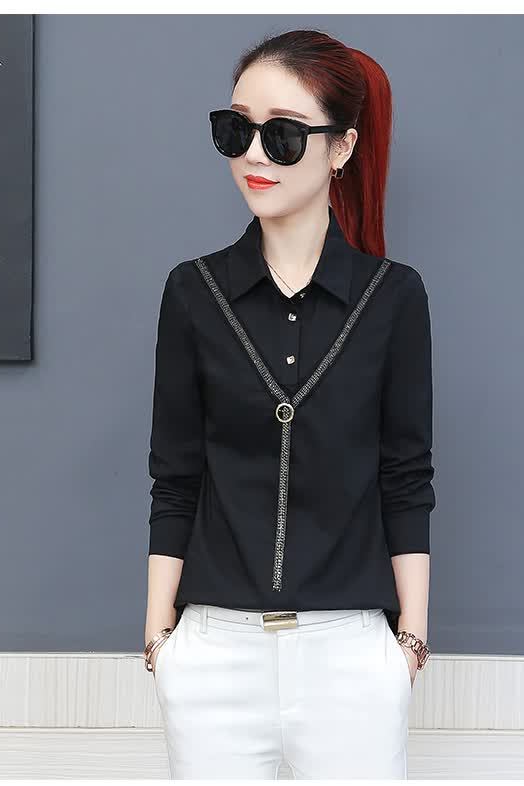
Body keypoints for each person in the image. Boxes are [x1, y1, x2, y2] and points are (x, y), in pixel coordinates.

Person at [142, 29, 435, 780]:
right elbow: (175, 475)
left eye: (282, 134)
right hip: (211, 656)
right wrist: (159, 641)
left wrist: (409, 642)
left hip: (352, 660)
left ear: (342, 147)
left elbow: (406, 475)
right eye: (235, 129)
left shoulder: (393, 297)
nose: (254, 155)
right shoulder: (193, 291)